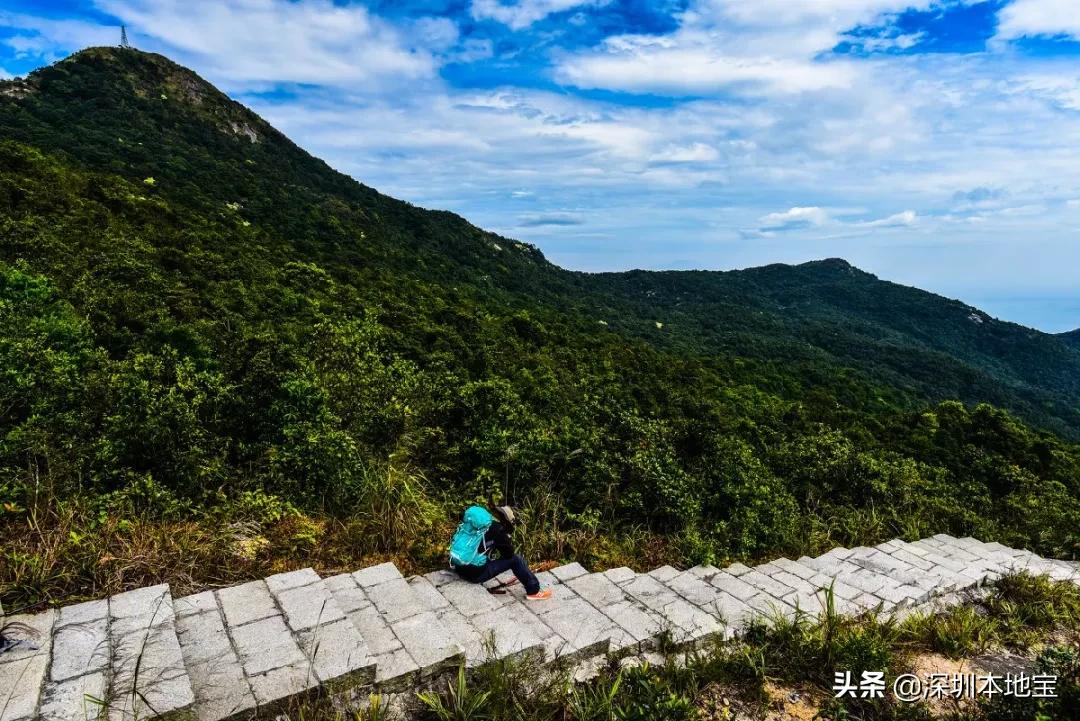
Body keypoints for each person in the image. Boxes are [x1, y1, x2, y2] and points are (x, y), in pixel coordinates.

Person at [450, 505, 553, 600]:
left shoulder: (477, 525)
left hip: (459, 566)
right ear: (507, 521)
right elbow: (509, 554)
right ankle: (533, 591)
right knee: (515, 559)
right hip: (475, 575)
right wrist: (505, 539)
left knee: (485, 555)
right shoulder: (498, 530)